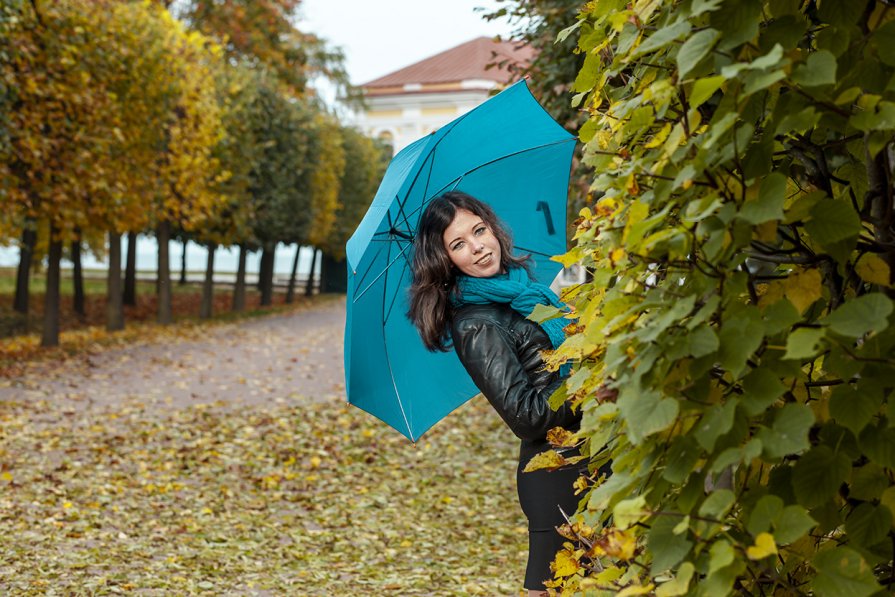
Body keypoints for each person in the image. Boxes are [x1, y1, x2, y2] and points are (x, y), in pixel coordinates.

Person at [408, 191, 583, 596]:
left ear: (493, 227)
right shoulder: (476, 325)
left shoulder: (524, 291)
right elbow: (526, 417)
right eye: (458, 244)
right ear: (446, 260)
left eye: (479, 230)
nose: (478, 248)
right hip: (557, 472)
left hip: (584, 454)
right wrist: (587, 384)